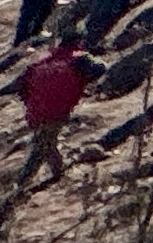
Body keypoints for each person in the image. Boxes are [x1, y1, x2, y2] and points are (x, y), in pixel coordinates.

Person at [18, 35, 96, 185]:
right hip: (56, 112)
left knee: (41, 146)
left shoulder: (45, 62)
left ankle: (23, 182)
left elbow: (25, 86)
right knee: (46, 144)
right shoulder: (77, 59)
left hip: (39, 112)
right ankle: (56, 172)